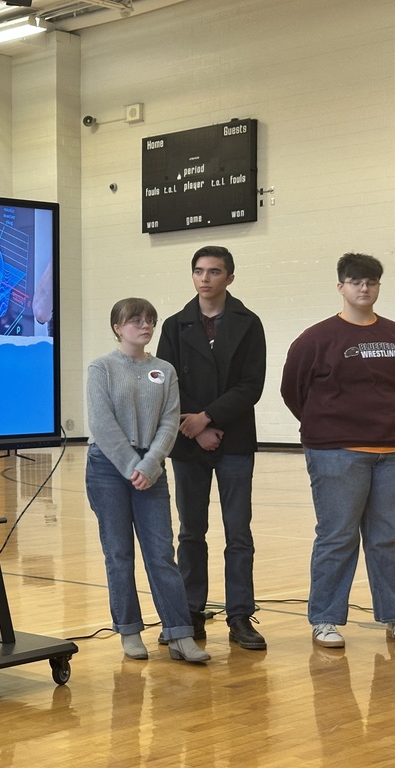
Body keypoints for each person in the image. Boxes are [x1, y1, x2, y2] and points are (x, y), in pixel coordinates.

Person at [280, 252, 395, 649]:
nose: (364, 288)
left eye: (371, 282)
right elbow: (294, 391)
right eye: (356, 281)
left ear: (378, 287)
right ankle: (325, 619)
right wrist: (329, 427)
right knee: (337, 537)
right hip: (337, 454)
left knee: (385, 538)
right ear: (340, 286)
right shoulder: (316, 338)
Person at [86, 297, 210, 664]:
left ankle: (179, 633)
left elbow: (170, 422)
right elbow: (101, 422)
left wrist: (151, 463)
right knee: (119, 553)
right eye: (136, 320)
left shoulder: (164, 370)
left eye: (150, 321)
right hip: (109, 468)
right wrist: (130, 465)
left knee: (160, 553)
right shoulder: (102, 368)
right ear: (117, 326)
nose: (145, 326)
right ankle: (128, 629)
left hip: (151, 468)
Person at [156, 245, 267, 651]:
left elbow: (251, 386)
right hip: (188, 442)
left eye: (214, 272)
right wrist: (196, 426)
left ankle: (240, 615)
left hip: (234, 440)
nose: (205, 278)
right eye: (199, 271)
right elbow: (166, 384)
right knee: (191, 532)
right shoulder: (174, 326)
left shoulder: (249, 323)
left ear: (230, 278)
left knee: (238, 533)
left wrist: (211, 419)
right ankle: (190, 613)